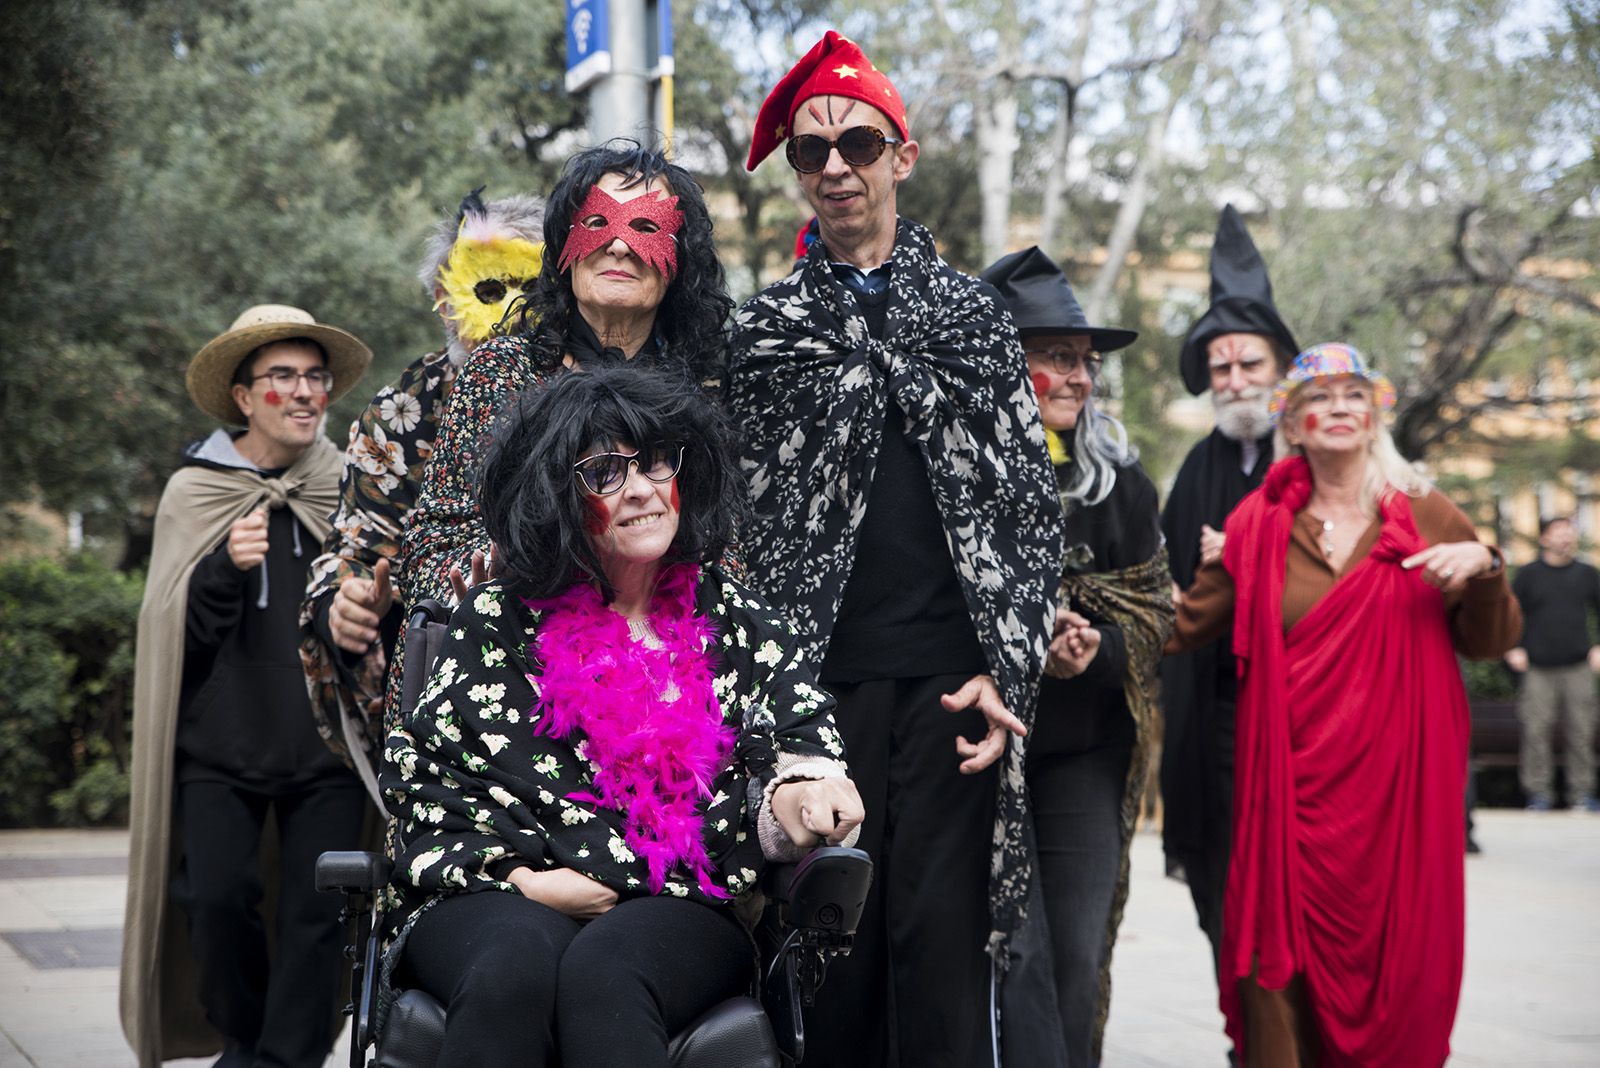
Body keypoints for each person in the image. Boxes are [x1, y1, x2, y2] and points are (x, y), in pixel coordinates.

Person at [727, 31, 1065, 1067]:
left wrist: (1009, 668)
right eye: (810, 151)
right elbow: (737, 518)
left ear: (900, 157)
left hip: (952, 684)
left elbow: (1026, 508)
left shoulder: (971, 316)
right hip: (814, 683)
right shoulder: (766, 329)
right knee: (828, 938)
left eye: (859, 145)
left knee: (942, 946)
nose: (835, 167)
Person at [380, 365, 863, 1067]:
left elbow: (797, 749)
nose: (640, 489)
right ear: (557, 497)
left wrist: (802, 793)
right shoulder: (495, 620)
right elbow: (429, 785)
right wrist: (530, 884)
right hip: (501, 887)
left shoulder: (738, 619)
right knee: (509, 970)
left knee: (607, 972)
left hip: (682, 901)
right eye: (604, 471)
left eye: (656, 462)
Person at [1169, 343, 1521, 1067]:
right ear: (1291, 425)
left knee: (1404, 975)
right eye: (1317, 400)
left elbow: (1489, 643)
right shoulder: (1255, 525)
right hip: (1290, 798)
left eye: (1352, 396)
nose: (1336, 410)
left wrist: (1485, 568)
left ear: (1374, 415)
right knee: (1278, 970)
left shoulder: (1427, 511)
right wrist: (1081, 631)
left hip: (1399, 801)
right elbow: (1181, 626)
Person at [121, 305, 373, 1068]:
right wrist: (222, 570)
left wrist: (367, 615)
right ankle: (242, 1033)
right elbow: (172, 635)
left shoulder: (351, 487)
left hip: (323, 744)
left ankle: (281, 1060)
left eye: (315, 378)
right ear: (243, 396)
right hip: (219, 743)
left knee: (317, 917)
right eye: (283, 378)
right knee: (217, 901)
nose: (303, 393)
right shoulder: (195, 491)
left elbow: (381, 607)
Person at [398, 142, 733, 628]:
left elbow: (723, 549)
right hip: (512, 663)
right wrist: (486, 574)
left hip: (655, 671)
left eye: (645, 226)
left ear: (679, 262)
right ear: (563, 251)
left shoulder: (697, 394)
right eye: (597, 223)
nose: (618, 245)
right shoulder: (503, 370)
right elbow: (434, 540)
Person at [982, 247, 1174, 1067]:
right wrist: (1020, 637)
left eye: (1086, 361)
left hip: (1086, 758)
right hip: (983, 756)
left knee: (1079, 953)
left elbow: (1154, 611)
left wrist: (1093, 650)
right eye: (1057, 356)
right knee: (1013, 956)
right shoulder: (954, 471)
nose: (1081, 378)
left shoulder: (1117, 479)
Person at [298, 189, 546, 800]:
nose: (511, 314)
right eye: (488, 290)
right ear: (444, 297)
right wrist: (347, 602)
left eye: (533, 291)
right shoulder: (404, 411)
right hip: (447, 688)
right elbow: (355, 547)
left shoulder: (598, 396)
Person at [1159, 204, 1299, 996]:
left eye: (1250, 364)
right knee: (1222, 893)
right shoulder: (1196, 472)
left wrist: (1253, 555)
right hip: (1214, 719)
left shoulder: (1317, 452)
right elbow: (1171, 593)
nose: (1237, 381)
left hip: (1302, 718)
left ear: (1280, 365)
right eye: (1222, 369)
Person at [1505, 515, 1600, 811]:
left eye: (1569, 532)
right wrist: (1512, 647)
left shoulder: (1587, 574)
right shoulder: (1528, 574)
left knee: (1582, 730)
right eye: (1558, 532)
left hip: (1577, 665)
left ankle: (1581, 794)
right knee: (1536, 730)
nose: (1565, 538)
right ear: (1544, 538)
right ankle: (1538, 793)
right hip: (1537, 666)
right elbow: (1508, 611)